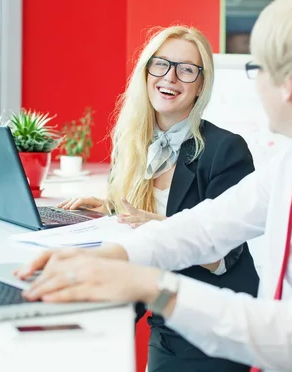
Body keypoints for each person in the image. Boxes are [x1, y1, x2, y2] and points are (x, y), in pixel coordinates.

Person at [16, 0, 292, 371]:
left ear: (287, 85)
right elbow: (206, 226)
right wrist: (109, 257)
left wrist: (153, 287)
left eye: (254, 69)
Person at [57, 26, 259, 371]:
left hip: (211, 314)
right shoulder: (133, 141)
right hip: (161, 307)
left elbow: (222, 258)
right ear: (146, 71)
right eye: (161, 64)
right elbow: (147, 211)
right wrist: (109, 206)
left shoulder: (226, 150)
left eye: (186, 69)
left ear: (200, 85)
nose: (170, 77)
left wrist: (160, 227)